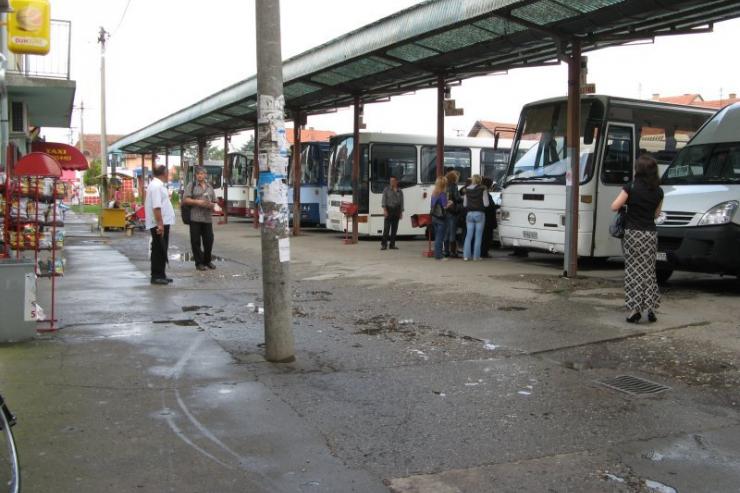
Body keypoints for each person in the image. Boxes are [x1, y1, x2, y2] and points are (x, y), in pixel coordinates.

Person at [611, 154, 664, 323]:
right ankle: (651, 308)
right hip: (650, 234)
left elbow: (614, 206)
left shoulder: (630, 187)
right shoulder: (659, 191)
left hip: (633, 234)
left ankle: (635, 310)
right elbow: (656, 214)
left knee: (634, 272)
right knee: (649, 271)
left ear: (638, 170)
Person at [144, 165, 176, 285]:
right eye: (168, 173)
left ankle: (161, 274)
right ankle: (156, 275)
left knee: (162, 248)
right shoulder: (157, 186)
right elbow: (156, 207)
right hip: (159, 223)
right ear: (164, 173)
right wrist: (160, 224)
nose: (169, 175)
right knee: (158, 249)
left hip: (162, 222)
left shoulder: (156, 185)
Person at [182, 166, 217, 271]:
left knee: (209, 240)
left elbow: (214, 201)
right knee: (195, 241)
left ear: (205, 175)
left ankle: (207, 260)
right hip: (195, 218)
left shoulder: (210, 187)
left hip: (207, 218)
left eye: (202, 174)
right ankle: (199, 263)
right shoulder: (191, 186)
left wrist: (213, 205)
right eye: (198, 174)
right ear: (196, 175)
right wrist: (198, 202)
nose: (200, 175)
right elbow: (185, 200)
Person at [462, 174, 489, 261]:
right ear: (480, 180)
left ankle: (466, 256)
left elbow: (465, 204)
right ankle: (476, 256)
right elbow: (486, 204)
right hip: (479, 214)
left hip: (469, 214)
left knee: (468, 236)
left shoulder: (467, 190)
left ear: (472, 180)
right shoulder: (483, 189)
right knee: (478, 236)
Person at [380, 176, 404, 250]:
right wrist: (385, 210)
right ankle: (384, 244)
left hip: (397, 210)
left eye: (393, 181)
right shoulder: (386, 190)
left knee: (394, 229)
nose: (392, 182)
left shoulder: (400, 191)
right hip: (389, 209)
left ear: (396, 181)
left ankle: (392, 244)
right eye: (390, 181)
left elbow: (402, 202)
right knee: (386, 228)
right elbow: (383, 201)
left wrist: (401, 212)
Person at [430, 176, 449, 260]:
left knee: (437, 236)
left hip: (434, 217)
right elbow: (444, 206)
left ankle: (437, 254)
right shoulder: (442, 194)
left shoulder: (434, 193)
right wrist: (450, 203)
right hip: (441, 218)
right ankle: (439, 256)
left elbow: (432, 205)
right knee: (440, 238)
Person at [443, 170, 462, 258]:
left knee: (446, 232)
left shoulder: (444, 186)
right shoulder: (454, 186)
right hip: (452, 211)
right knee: (452, 232)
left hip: (445, 211)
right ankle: (453, 252)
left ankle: (446, 251)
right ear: (454, 178)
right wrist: (462, 198)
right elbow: (457, 198)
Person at [480, 176, 497, 258]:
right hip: (487, 219)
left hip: (483, 218)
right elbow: (488, 206)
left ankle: (482, 251)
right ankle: (484, 252)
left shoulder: (479, 192)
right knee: (486, 236)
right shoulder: (485, 193)